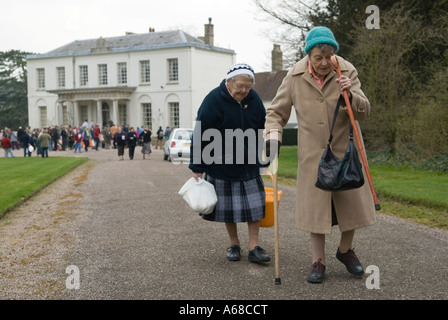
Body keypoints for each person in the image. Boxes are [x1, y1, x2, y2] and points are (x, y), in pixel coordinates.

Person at [264, 26, 376, 283]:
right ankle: (318, 261)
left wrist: (352, 94)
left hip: (346, 149)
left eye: (329, 56)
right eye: (319, 57)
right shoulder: (294, 76)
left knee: (352, 205)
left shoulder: (347, 70)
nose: (325, 62)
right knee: (316, 210)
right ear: (309, 55)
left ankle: (345, 250)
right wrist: (272, 138)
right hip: (313, 154)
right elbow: (275, 113)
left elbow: (364, 111)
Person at [189, 63, 270, 263]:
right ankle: (234, 245)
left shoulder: (254, 99)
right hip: (220, 164)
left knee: (255, 207)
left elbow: (262, 127)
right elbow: (200, 134)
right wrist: (197, 166)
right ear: (229, 82)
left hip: (248, 163)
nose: (244, 91)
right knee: (228, 209)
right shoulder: (213, 100)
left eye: (248, 87)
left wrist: (265, 155)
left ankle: (254, 247)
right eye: (240, 86)